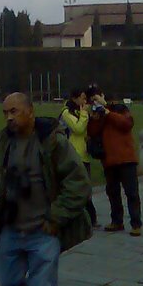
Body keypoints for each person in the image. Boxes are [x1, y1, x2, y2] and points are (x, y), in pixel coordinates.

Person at [0, 92, 91, 286]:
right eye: (5, 113)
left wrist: (56, 217)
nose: (9, 118)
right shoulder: (2, 142)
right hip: (11, 228)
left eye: (14, 111)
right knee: (8, 281)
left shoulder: (53, 142)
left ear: (30, 112)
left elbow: (79, 182)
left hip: (43, 229)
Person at [87, 92, 142, 236]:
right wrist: (94, 119)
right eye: (92, 100)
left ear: (103, 96)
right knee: (113, 193)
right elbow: (92, 132)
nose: (95, 102)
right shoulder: (98, 115)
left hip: (126, 159)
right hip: (109, 160)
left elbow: (127, 124)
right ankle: (117, 221)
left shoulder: (119, 109)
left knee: (132, 193)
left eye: (96, 98)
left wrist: (107, 111)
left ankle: (136, 223)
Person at [60, 90, 98, 228]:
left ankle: (88, 218)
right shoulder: (66, 113)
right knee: (76, 188)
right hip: (73, 155)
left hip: (84, 155)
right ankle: (85, 217)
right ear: (74, 99)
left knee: (86, 188)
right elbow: (78, 128)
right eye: (82, 98)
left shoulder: (82, 113)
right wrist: (84, 114)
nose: (85, 101)